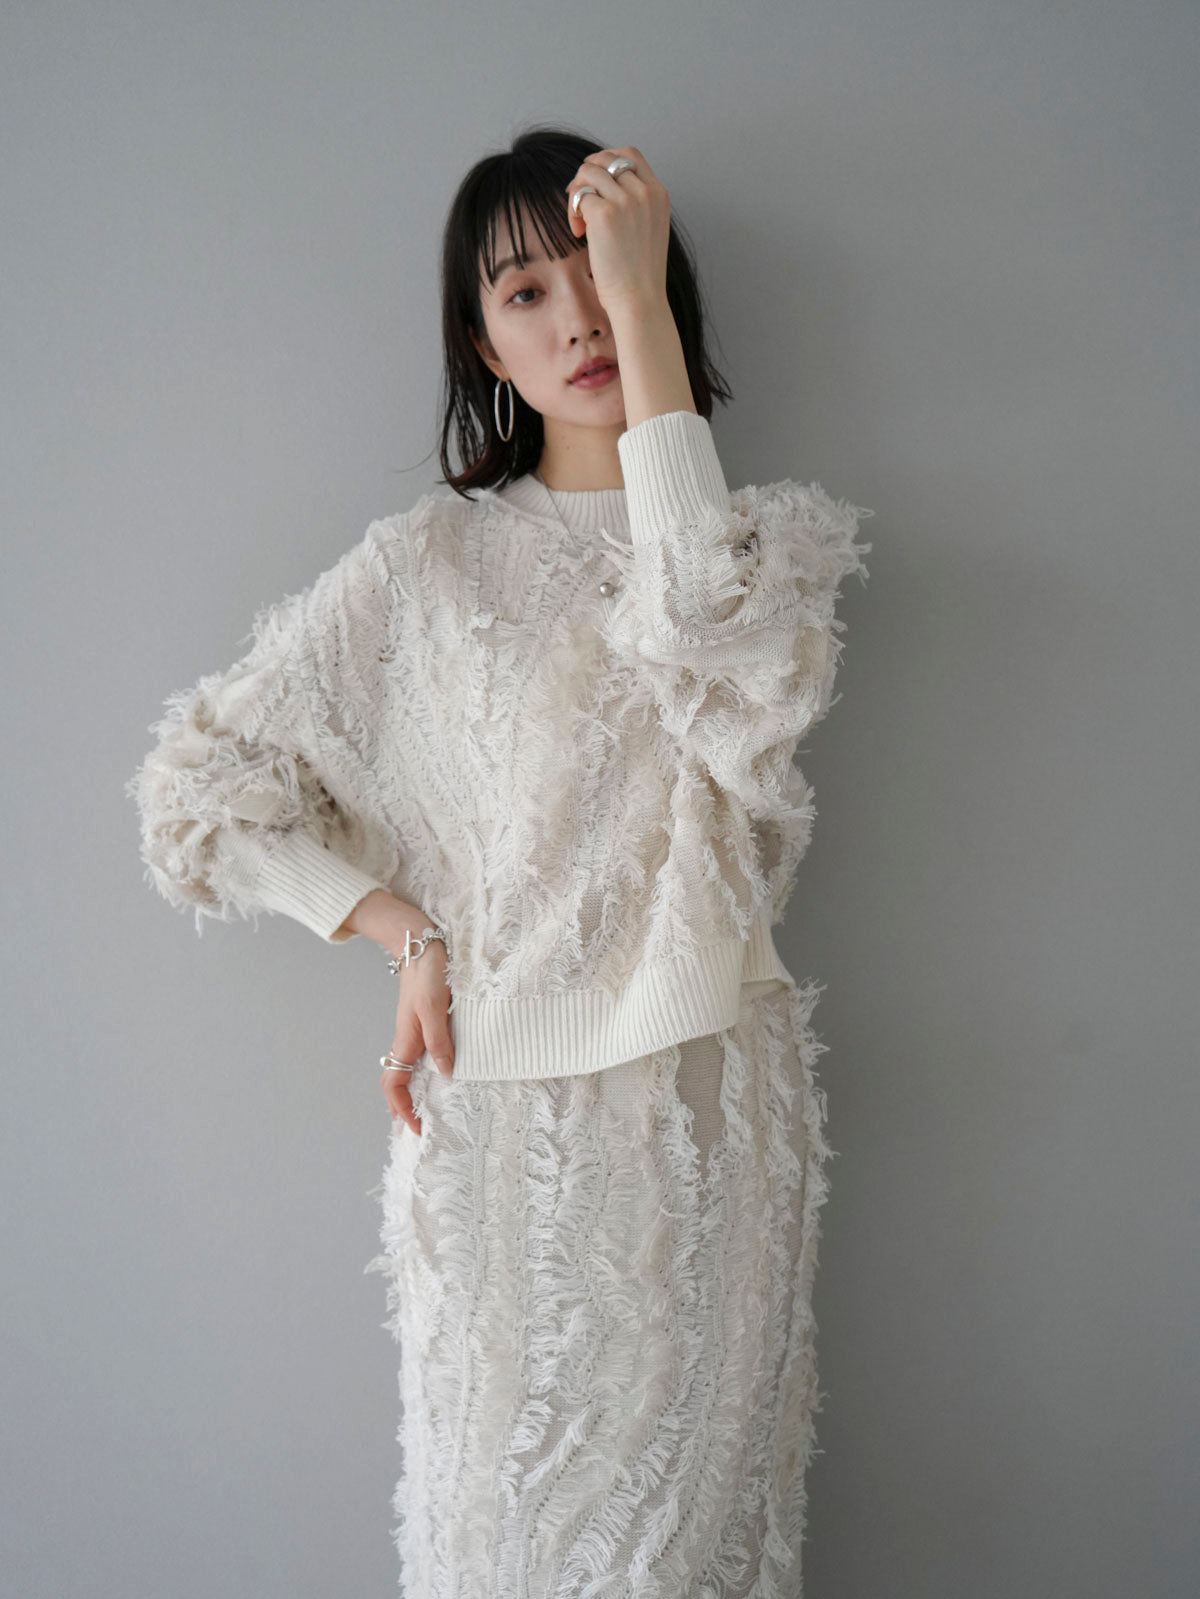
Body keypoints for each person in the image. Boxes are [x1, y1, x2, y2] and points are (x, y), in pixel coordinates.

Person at [126, 123, 873, 1598]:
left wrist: (643, 311)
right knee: (501, 1549)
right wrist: (399, 929)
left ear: (655, 292)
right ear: (483, 343)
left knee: (683, 1563)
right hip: (501, 1142)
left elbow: (706, 637)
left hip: (709, 1121)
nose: (576, 319)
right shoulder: (427, 568)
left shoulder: (757, 552)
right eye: (528, 292)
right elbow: (195, 796)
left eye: (601, 277)